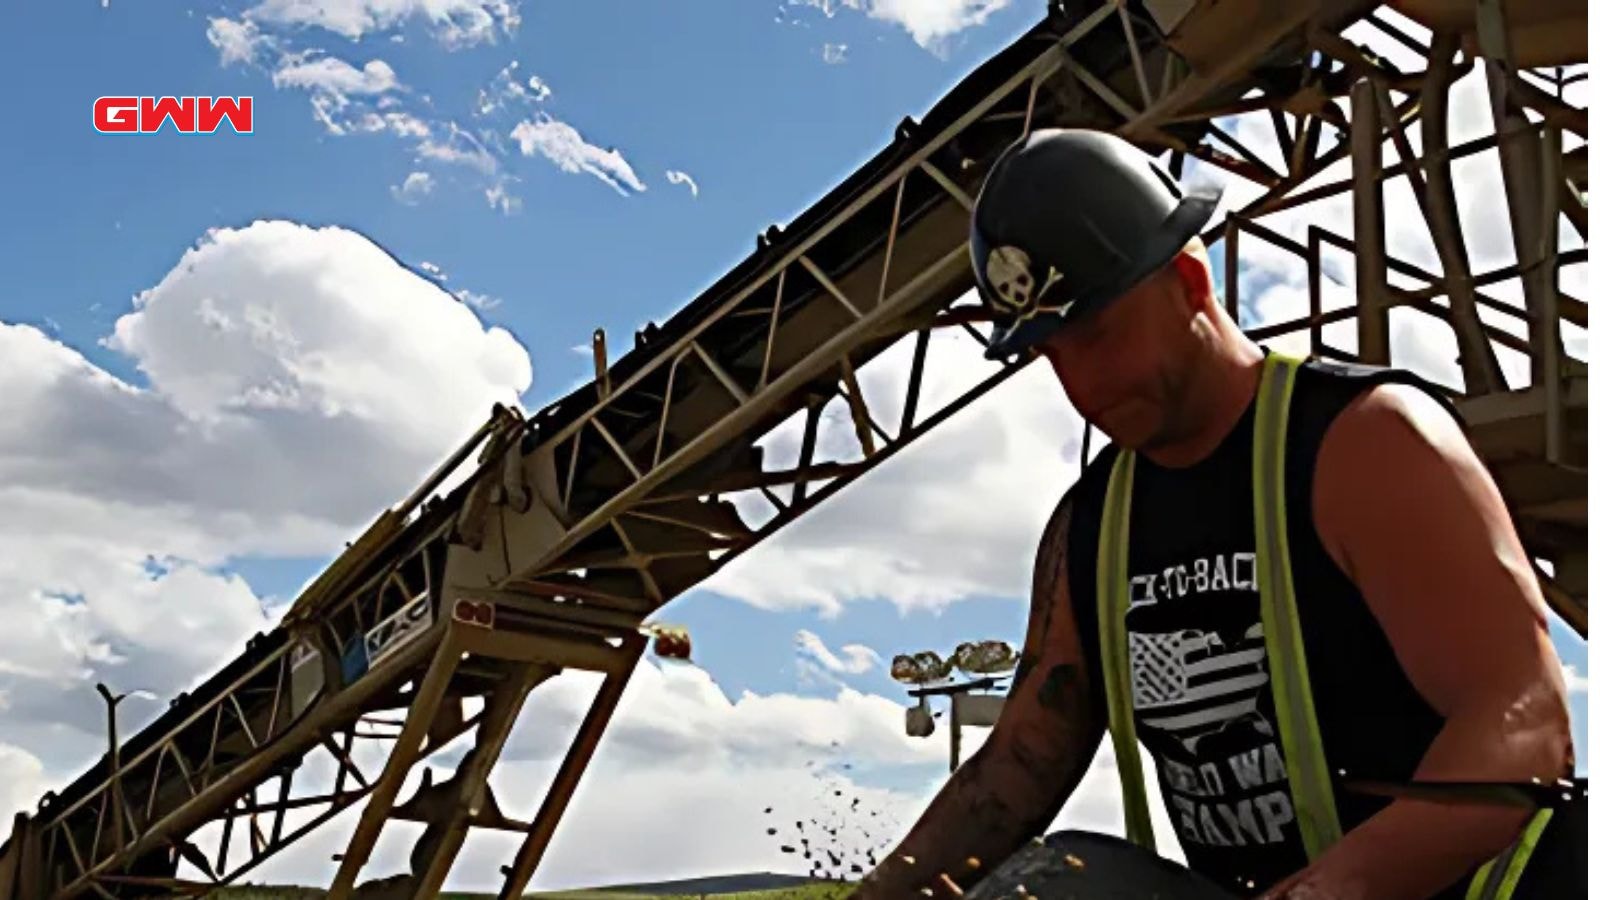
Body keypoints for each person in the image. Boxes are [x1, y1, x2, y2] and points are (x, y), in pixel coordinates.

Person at [849, 129, 1576, 899]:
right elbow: (1020, 762)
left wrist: (1339, 886)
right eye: (1052, 354)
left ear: (1191, 282)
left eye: (1098, 334)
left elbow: (1526, 720)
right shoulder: (1094, 526)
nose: (1083, 384)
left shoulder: (1364, 443)